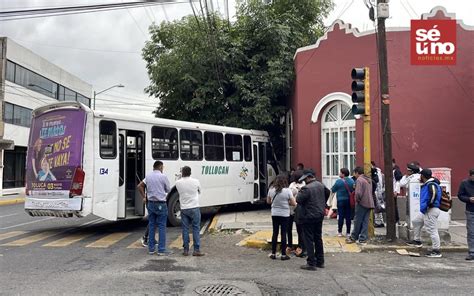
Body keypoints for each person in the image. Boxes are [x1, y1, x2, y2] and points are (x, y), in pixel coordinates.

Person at [137, 160, 172, 256]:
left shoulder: (148, 176)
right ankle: (161, 250)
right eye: (162, 168)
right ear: (160, 167)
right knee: (161, 227)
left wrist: (144, 196)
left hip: (150, 204)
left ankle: (151, 249)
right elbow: (168, 189)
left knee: (152, 225)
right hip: (161, 204)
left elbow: (139, 186)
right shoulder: (163, 177)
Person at [406, 168, 442, 258]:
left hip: (430, 209)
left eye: (420, 176)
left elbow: (433, 194)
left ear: (423, 176)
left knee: (432, 230)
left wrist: (428, 205)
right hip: (427, 210)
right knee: (416, 221)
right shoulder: (428, 184)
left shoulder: (431, 184)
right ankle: (417, 240)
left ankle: (436, 250)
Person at [296, 169, 326, 270]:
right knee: (318, 238)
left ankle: (311, 262)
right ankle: (320, 261)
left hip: (308, 216)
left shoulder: (306, 188)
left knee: (308, 239)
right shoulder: (321, 185)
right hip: (319, 214)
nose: (304, 181)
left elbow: (298, 200)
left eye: (305, 179)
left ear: (308, 177)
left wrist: (299, 191)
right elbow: (327, 193)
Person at [175, 166, 204, 257]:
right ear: (190, 173)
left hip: (184, 208)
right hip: (194, 207)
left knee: (185, 229)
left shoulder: (178, 183)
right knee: (196, 228)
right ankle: (196, 250)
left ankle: (186, 250)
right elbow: (199, 191)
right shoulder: (196, 181)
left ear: (182, 173)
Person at [267, 174, 296, 260]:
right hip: (285, 214)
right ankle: (283, 254)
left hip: (274, 213)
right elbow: (293, 203)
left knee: (275, 233)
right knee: (283, 233)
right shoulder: (287, 191)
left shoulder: (271, 190)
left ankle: (273, 253)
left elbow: (268, 201)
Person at [346, 167, 374, 245]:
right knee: (365, 221)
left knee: (357, 220)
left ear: (357, 173)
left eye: (354, 173)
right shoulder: (368, 180)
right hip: (370, 203)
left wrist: (357, 200)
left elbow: (358, 193)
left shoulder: (359, 180)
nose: (354, 175)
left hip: (362, 203)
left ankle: (354, 237)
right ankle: (363, 238)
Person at [331, 168, 355, 238]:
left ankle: (340, 232)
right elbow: (353, 189)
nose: (339, 174)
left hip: (340, 201)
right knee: (348, 217)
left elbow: (333, 189)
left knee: (340, 216)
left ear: (343, 174)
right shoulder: (352, 181)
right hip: (349, 201)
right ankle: (348, 232)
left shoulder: (338, 181)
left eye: (340, 172)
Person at [457, 169, 474, 261]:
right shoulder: (465, 183)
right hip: (471, 210)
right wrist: (468, 199)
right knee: (471, 232)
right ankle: (472, 252)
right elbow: (460, 195)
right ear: (470, 175)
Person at [288, 170, 305, 256]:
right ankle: (300, 246)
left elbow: (289, 197)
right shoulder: (304, 184)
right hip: (301, 209)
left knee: (289, 229)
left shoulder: (292, 186)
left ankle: (290, 245)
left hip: (292, 209)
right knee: (300, 230)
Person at [371, 162, 385, 228]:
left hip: (376, 191)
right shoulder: (380, 172)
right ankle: (381, 221)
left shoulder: (375, 172)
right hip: (380, 190)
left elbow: (376, 181)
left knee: (376, 207)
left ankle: (377, 222)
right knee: (379, 207)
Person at [392, 159, 403, 224]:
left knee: (394, 205)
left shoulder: (396, 171)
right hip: (392, 190)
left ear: (394, 163)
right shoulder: (393, 170)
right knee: (393, 205)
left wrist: (396, 191)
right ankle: (395, 219)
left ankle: (396, 219)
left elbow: (398, 182)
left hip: (394, 191)